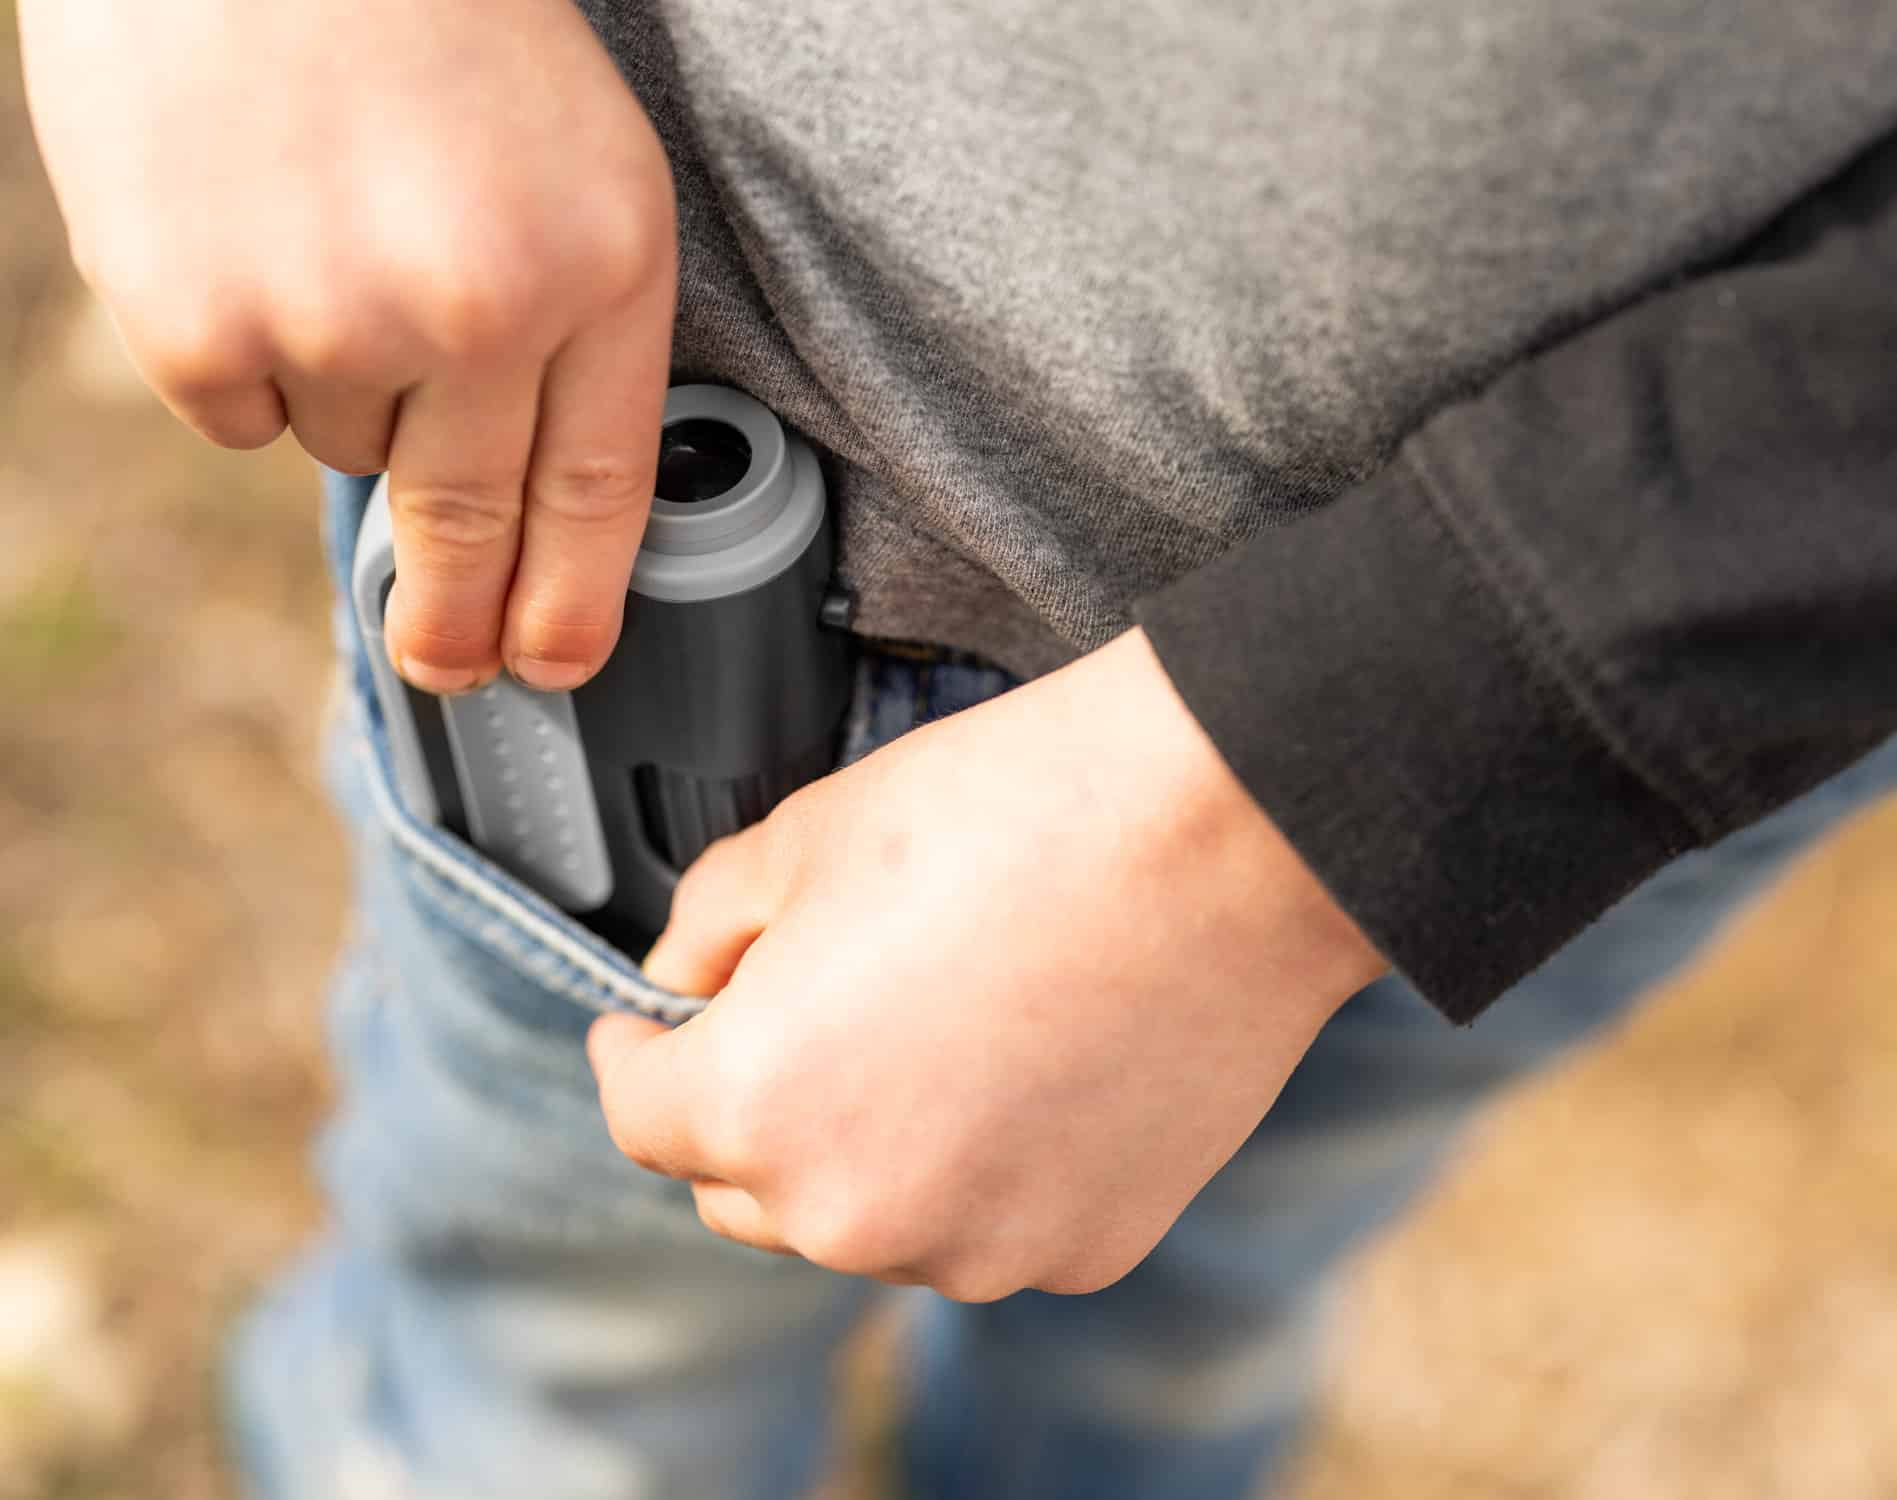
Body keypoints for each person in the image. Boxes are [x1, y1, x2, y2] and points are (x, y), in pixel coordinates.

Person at [19, 0, 1897, 1496]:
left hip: (1622, 701)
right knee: (572, 1389)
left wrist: (1317, 783)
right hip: (709, 539)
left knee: (1197, 1312)